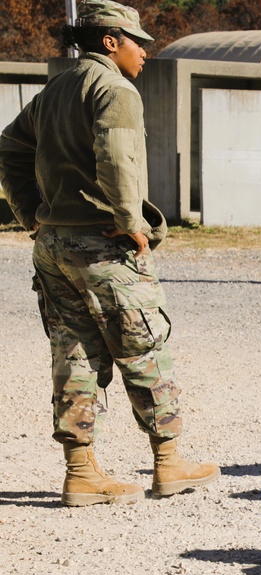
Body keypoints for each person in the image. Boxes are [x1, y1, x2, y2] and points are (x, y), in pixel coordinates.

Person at [0, 0, 218, 506]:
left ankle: (81, 472)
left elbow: (9, 148)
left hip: (53, 245)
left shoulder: (56, 88)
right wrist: (130, 222)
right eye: (137, 40)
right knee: (144, 347)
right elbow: (117, 158)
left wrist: (30, 213)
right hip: (103, 244)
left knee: (73, 352)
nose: (145, 50)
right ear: (109, 41)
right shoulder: (115, 88)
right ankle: (170, 464)